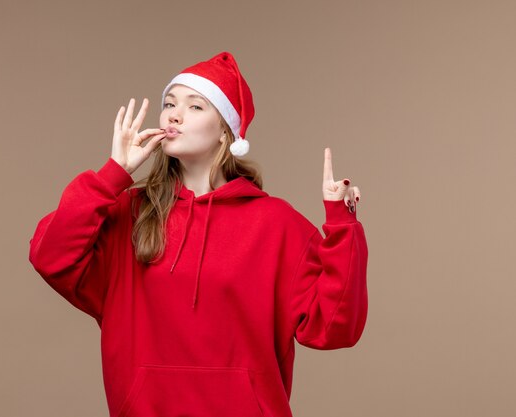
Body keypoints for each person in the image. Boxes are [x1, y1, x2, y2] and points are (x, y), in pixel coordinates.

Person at [29, 51, 368, 417]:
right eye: (170, 104)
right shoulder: (131, 213)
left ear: (226, 129)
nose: (174, 114)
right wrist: (114, 173)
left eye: (195, 107)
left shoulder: (276, 223)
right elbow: (51, 256)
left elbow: (335, 328)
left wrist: (342, 223)